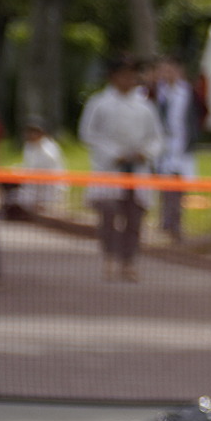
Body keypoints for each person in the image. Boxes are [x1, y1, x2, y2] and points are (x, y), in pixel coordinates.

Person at [79, 57, 163, 283]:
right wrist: (114, 153)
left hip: (137, 169)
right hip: (110, 168)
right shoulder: (99, 103)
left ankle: (129, 261)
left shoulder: (144, 105)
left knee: (134, 217)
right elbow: (88, 134)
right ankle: (110, 257)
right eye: (123, 75)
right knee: (109, 215)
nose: (128, 80)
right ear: (113, 77)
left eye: (131, 75)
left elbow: (156, 137)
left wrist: (146, 152)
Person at [148, 57, 197, 242]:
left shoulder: (187, 92)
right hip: (162, 146)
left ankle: (175, 224)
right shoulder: (157, 92)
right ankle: (165, 222)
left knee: (179, 185)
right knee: (165, 184)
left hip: (181, 146)